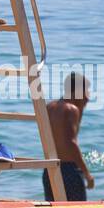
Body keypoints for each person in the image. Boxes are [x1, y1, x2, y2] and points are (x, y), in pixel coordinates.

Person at [43, 72, 93, 201]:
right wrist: (87, 173)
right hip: (69, 170)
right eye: (86, 91)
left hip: (49, 168)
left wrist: (81, 106)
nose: (88, 95)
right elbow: (71, 142)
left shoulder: (49, 107)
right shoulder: (71, 110)